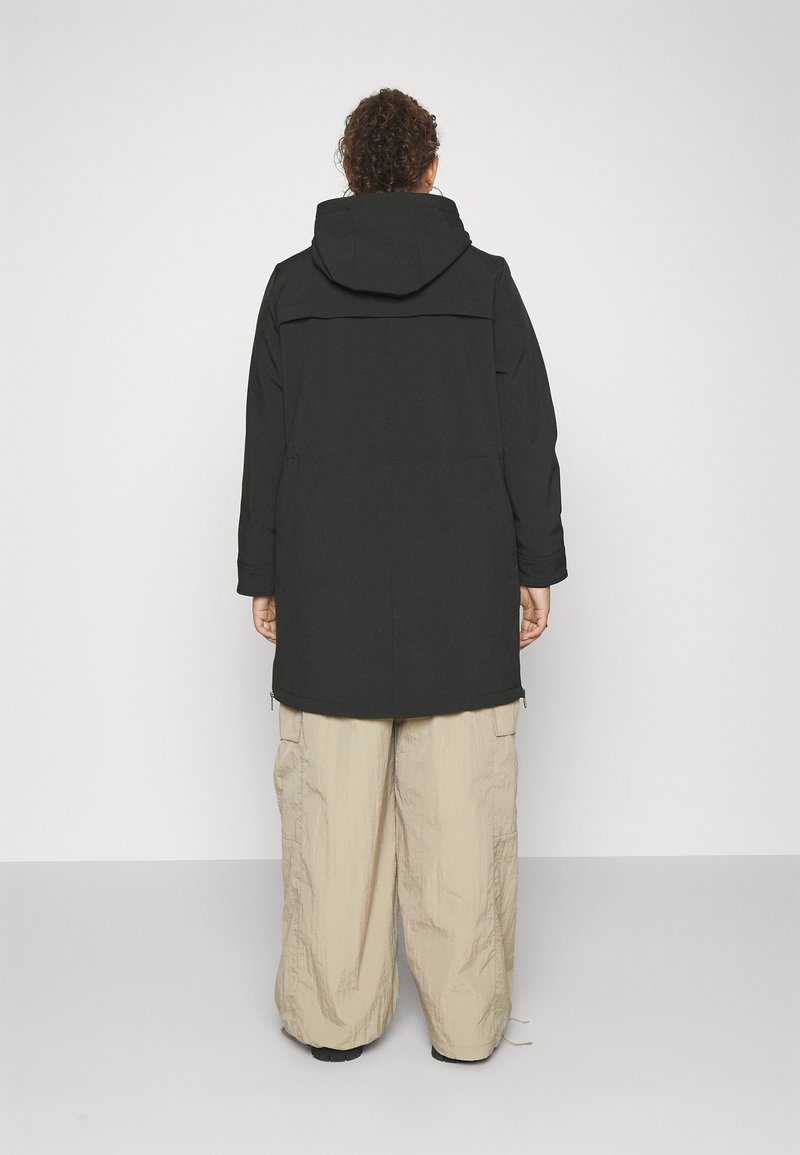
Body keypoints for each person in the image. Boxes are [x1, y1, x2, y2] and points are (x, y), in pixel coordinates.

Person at [236, 88, 568, 1064]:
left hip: (328, 593)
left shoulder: (291, 289)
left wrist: (265, 574)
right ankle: (466, 1025)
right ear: (431, 169)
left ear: (348, 170)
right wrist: (535, 566)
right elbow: (529, 437)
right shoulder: (488, 286)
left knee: (333, 817)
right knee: (460, 816)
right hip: (461, 593)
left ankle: (332, 1019)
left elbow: (267, 444)